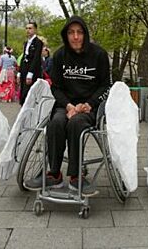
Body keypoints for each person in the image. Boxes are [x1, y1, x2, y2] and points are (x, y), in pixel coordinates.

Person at [24, 16, 111, 195]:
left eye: (79, 32)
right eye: (71, 32)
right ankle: (54, 173)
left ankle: (76, 175)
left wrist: (88, 104)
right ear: (66, 35)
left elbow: (105, 86)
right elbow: (56, 87)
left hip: (90, 107)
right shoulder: (60, 55)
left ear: (85, 34)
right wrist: (69, 106)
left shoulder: (99, 54)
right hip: (65, 105)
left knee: (76, 123)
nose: (76, 37)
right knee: (55, 123)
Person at [17, 21, 43, 104]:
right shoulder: (26, 43)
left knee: (28, 93)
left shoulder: (38, 42)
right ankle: (23, 111)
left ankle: (30, 113)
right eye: (26, 28)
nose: (28, 30)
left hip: (32, 70)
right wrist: (19, 72)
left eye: (30, 28)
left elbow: (36, 58)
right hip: (24, 68)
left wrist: (30, 73)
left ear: (35, 30)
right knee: (22, 92)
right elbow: (23, 57)